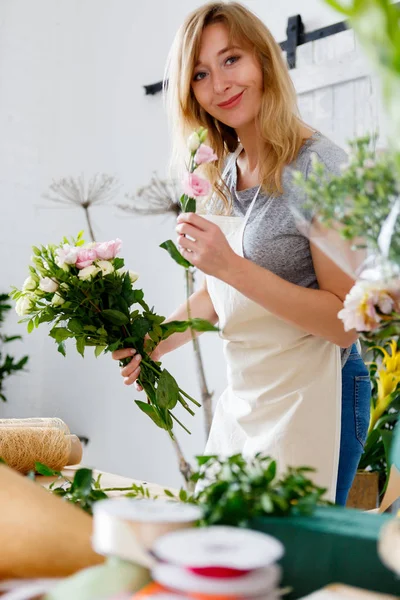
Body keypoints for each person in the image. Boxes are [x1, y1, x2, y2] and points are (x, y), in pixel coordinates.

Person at [113, 1, 371, 504]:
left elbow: (345, 321)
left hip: (320, 394)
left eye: (232, 60)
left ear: (262, 60)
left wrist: (230, 265)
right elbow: (220, 295)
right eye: (201, 73)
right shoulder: (225, 171)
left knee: (289, 570)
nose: (219, 85)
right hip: (250, 397)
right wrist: (156, 342)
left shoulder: (322, 170)